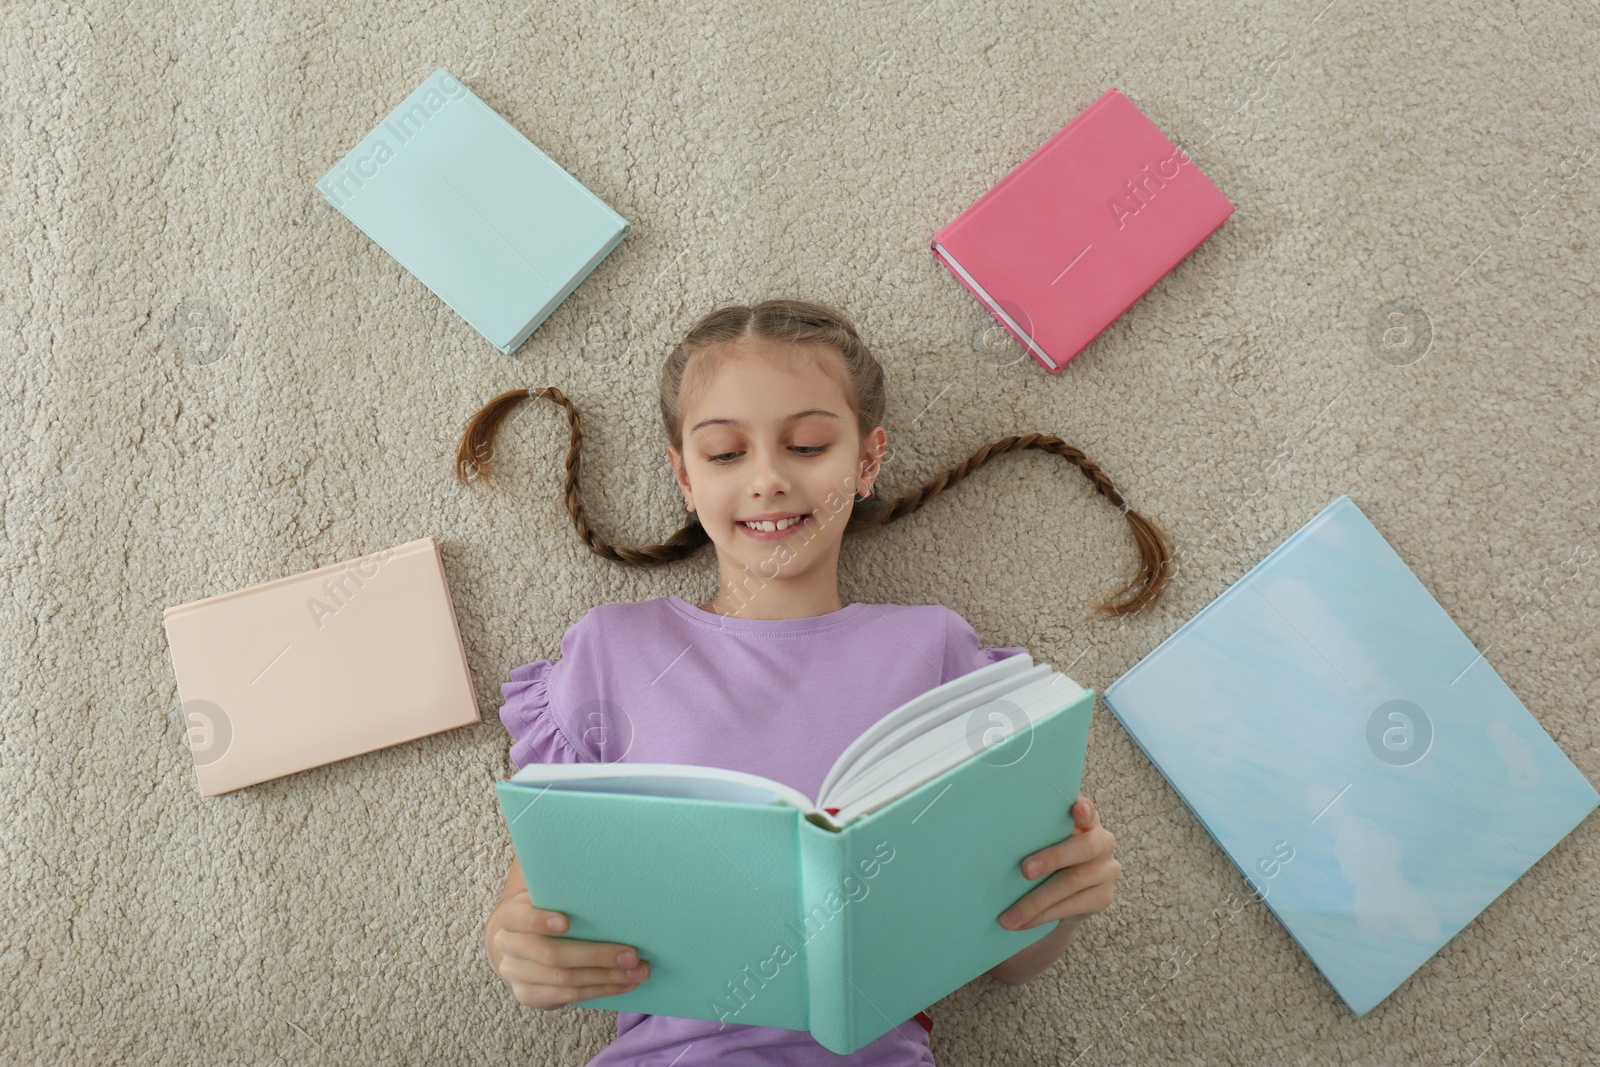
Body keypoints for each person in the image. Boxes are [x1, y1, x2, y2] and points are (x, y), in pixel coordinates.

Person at [463, 298, 1172, 1064]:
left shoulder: (935, 651)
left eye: (805, 444)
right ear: (683, 477)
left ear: (866, 462)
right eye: (726, 454)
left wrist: (1066, 898)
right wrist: (517, 946)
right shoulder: (613, 649)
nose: (767, 478)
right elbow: (532, 906)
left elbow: (1009, 959)